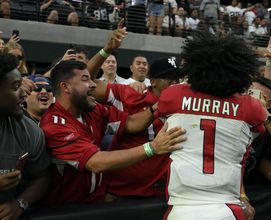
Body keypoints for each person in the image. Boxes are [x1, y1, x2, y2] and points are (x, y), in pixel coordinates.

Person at [158, 31, 271, 220]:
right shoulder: (250, 106)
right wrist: (264, 112)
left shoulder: (173, 95)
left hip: (181, 206)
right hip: (227, 207)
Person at [39, 60, 186, 204]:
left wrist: (156, 107)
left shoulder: (92, 110)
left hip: (97, 201)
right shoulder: (54, 125)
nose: (93, 84)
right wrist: (151, 148)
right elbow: (96, 163)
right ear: (65, 87)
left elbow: (131, 123)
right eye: (85, 80)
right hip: (66, 208)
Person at [93, 56, 181, 198]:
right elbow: (87, 83)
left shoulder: (183, 103)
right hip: (121, 190)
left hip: (161, 191)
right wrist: (105, 51)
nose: (174, 82)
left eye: (177, 78)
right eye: (168, 77)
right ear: (153, 81)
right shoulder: (132, 94)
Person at [0, 54, 51, 220]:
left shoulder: (30, 131)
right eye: (15, 87)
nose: (24, 93)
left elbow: (42, 177)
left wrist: (20, 204)